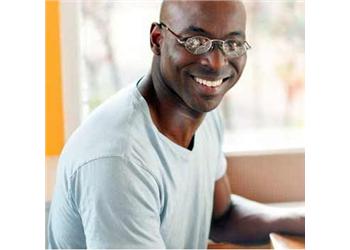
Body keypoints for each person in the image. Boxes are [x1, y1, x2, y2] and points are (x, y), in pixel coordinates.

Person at [47, 0, 304, 248]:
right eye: (196, 42)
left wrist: (305, 221)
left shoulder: (205, 116)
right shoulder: (120, 158)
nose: (216, 62)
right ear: (157, 40)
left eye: (233, 44)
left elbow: (221, 217)